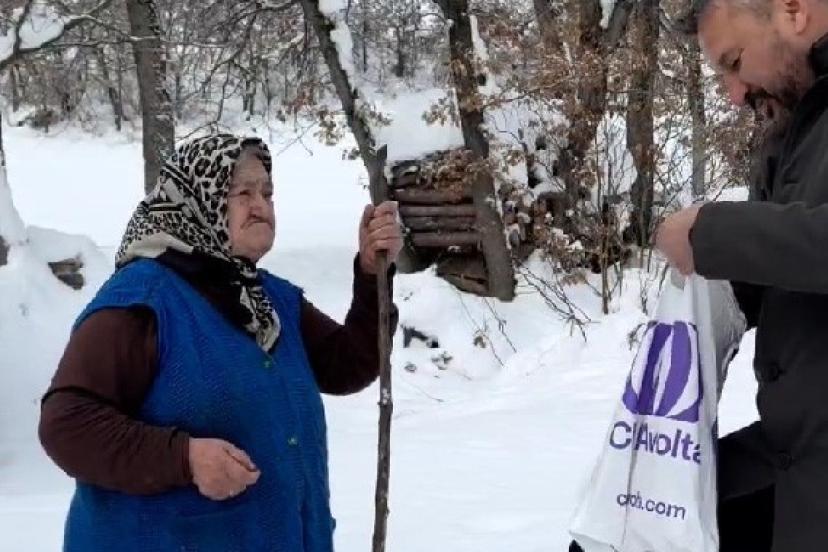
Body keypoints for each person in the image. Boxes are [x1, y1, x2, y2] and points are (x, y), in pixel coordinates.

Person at [38, 134, 403, 552]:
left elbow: (347, 365)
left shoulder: (270, 300)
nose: (261, 205)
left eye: (267, 193)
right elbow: (67, 424)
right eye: (242, 193)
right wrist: (183, 459)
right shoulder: (142, 300)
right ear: (197, 201)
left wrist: (371, 274)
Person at [655, 1, 828, 550]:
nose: (733, 94)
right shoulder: (798, 123)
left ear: (793, 10)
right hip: (797, 462)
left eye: (734, 62)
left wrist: (714, 235)